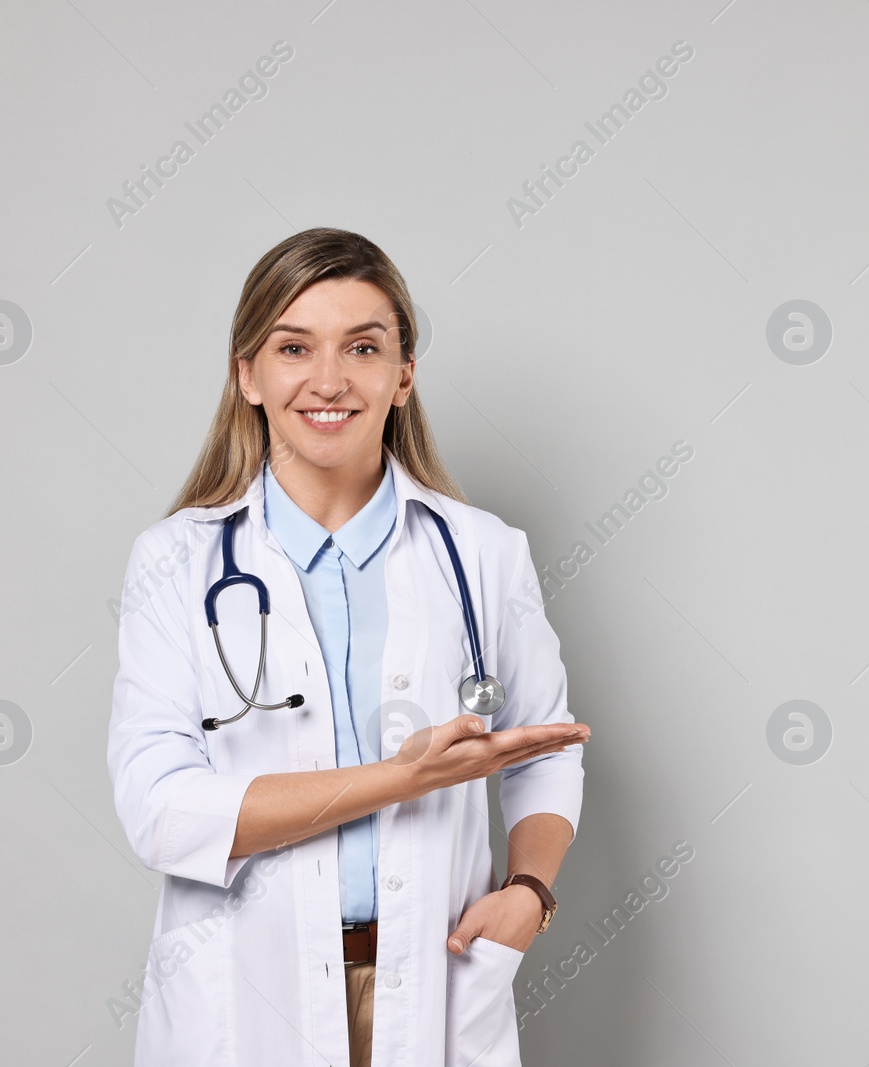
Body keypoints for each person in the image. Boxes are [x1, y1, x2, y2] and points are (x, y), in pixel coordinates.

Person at [107, 227, 590, 1066]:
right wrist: (404, 779)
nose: (329, 380)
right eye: (294, 347)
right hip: (246, 988)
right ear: (247, 374)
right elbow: (161, 811)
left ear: (403, 375)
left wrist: (528, 891)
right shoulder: (176, 560)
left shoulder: (483, 553)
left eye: (363, 347)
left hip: (431, 977)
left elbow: (545, 750)